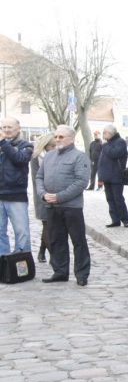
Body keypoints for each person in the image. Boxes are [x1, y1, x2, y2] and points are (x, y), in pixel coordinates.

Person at [36, 125, 90, 286]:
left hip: (71, 207)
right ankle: (60, 271)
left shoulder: (79, 157)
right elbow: (39, 178)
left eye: (61, 137)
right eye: (56, 136)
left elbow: (81, 182)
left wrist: (59, 197)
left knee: (78, 241)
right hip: (51, 207)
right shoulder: (49, 156)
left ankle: (81, 274)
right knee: (56, 240)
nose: (57, 139)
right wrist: (43, 194)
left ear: (71, 138)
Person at [0, 117, 34, 257]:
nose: (6, 130)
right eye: (4, 127)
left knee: (21, 231)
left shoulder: (25, 145)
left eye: (10, 127)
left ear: (18, 128)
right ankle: (3, 262)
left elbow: (19, 159)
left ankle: (23, 262)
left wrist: (3, 144)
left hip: (16, 195)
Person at [29, 134, 55, 263]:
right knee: (47, 225)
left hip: (55, 196)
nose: (54, 148)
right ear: (45, 146)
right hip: (42, 196)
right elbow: (37, 179)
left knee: (50, 226)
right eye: (52, 146)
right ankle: (54, 258)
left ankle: (41, 251)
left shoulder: (55, 156)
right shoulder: (37, 157)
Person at [98, 124, 128, 228]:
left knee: (118, 199)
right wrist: (100, 177)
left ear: (111, 133)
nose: (103, 134)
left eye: (105, 132)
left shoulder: (120, 142)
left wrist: (104, 145)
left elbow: (114, 154)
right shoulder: (107, 144)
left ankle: (125, 220)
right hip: (107, 177)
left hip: (116, 176)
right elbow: (101, 162)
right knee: (110, 199)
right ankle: (115, 220)